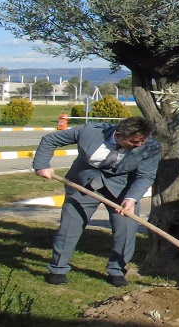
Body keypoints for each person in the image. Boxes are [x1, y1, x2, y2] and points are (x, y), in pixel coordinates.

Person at [33, 116, 160, 287]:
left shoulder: (150, 147)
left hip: (122, 190)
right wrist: (41, 165)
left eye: (142, 141)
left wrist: (131, 199)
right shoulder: (89, 131)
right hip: (83, 184)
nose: (139, 145)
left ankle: (117, 271)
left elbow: (146, 176)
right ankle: (58, 269)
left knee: (126, 230)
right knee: (69, 228)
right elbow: (50, 139)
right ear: (119, 134)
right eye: (134, 142)